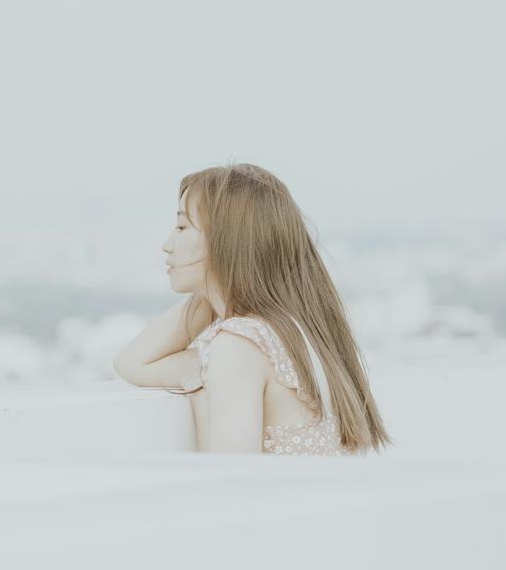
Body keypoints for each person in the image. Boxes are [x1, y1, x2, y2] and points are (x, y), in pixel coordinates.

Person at [110, 162, 391, 455]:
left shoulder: (238, 345)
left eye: (182, 227)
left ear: (226, 241)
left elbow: (233, 486)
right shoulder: (293, 330)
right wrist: (214, 294)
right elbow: (130, 364)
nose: (167, 245)